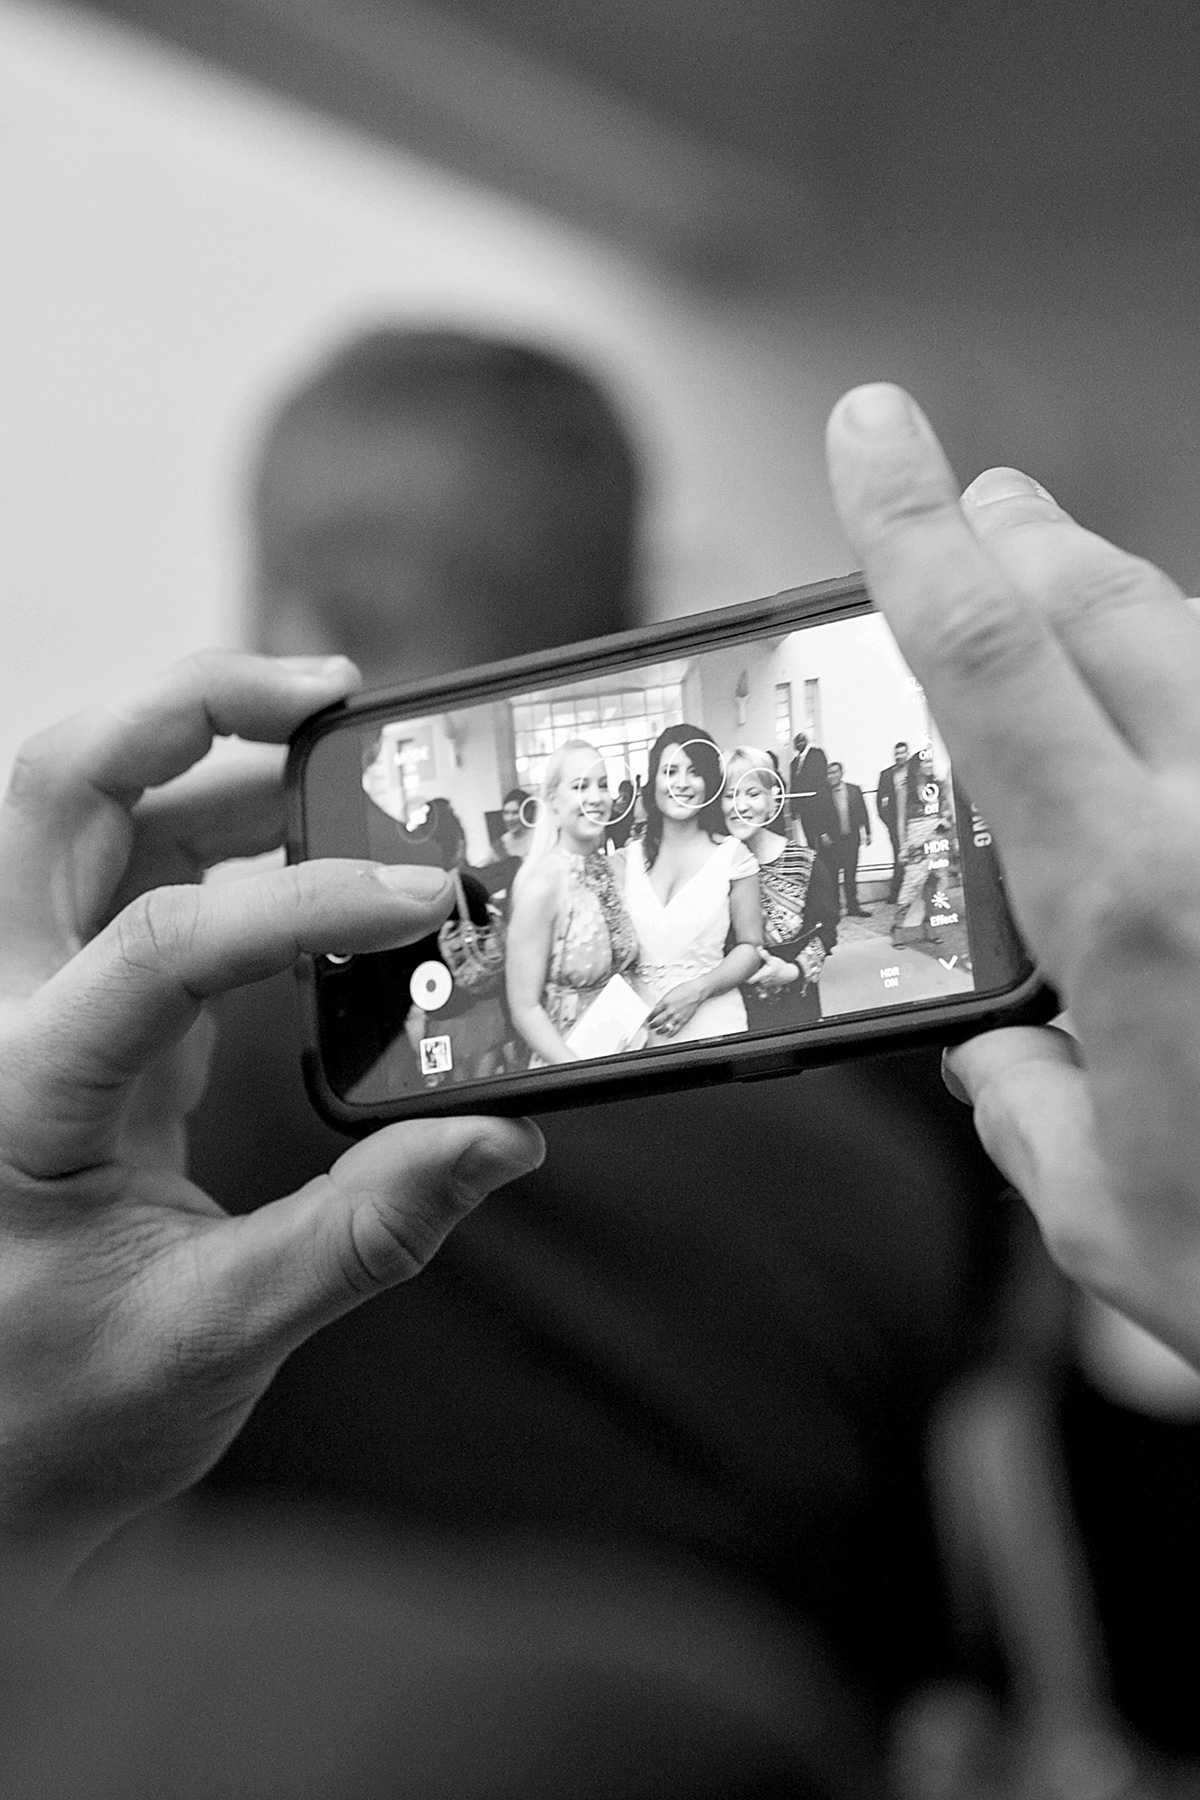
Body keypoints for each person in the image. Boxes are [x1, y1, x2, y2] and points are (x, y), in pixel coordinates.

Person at [622, 724, 763, 1043]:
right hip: (639, 1035)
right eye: (670, 771)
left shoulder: (732, 856)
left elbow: (751, 947)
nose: (681, 784)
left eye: (695, 772)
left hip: (714, 1026)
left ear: (709, 783)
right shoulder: (627, 859)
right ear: (653, 781)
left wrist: (699, 990)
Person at [505, 741, 638, 1064]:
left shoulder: (615, 868)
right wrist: (578, 1071)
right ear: (552, 801)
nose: (596, 797)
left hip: (627, 1055)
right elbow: (524, 1007)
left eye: (603, 785)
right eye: (580, 786)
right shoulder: (542, 885)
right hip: (570, 1070)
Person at [721, 746, 840, 1027]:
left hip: (796, 1012)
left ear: (773, 801)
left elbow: (827, 931)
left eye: (752, 793)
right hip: (729, 1013)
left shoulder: (807, 863)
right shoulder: (711, 869)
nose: (741, 805)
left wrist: (792, 970)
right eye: (730, 795)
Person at [890, 749, 953, 946]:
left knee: (934, 886)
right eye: (926, 763)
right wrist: (902, 846)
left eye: (931, 762)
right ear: (917, 765)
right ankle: (898, 928)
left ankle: (930, 927)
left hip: (937, 839)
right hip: (916, 841)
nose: (930, 766)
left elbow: (946, 810)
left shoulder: (937, 786)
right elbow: (900, 819)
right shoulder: (905, 788)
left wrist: (945, 821)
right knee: (911, 885)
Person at [826, 761, 871, 916]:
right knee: (833, 876)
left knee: (850, 874)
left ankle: (853, 907)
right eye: (829, 773)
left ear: (841, 773)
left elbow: (863, 812)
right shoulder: (824, 793)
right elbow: (818, 816)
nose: (831, 776)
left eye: (834, 772)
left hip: (852, 839)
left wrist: (868, 832)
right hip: (833, 841)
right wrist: (823, 834)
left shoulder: (854, 790)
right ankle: (835, 909)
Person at [787, 731, 838, 857]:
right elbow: (793, 785)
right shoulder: (794, 763)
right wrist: (794, 809)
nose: (799, 744)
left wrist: (818, 796)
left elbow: (820, 778)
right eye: (797, 742)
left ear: (806, 741)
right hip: (803, 808)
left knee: (821, 838)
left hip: (817, 804)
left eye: (802, 741)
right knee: (809, 839)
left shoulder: (817, 754)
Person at [875, 740, 910, 904]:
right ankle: (896, 893)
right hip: (896, 825)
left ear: (907, 753)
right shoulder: (887, 775)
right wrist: (888, 822)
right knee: (898, 856)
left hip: (915, 822)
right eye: (897, 753)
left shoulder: (915, 771)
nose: (900, 756)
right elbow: (880, 801)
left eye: (902, 752)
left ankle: (909, 892)